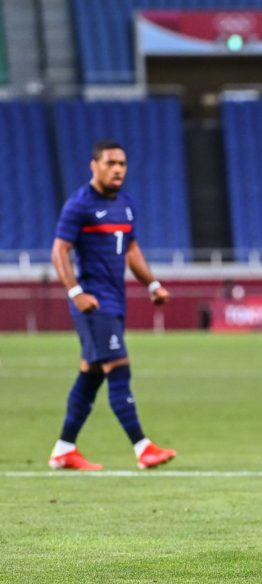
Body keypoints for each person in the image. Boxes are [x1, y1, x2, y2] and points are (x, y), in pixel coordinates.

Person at [48, 140, 177, 471]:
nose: (118, 169)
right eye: (110, 163)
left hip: (115, 301)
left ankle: (64, 449)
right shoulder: (79, 205)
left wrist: (152, 283)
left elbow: (131, 249)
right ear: (94, 166)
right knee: (119, 369)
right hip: (93, 304)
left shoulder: (126, 204)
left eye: (122, 163)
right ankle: (143, 447)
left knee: (91, 375)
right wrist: (75, 290)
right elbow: (59, 251)